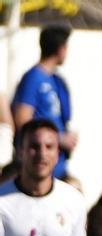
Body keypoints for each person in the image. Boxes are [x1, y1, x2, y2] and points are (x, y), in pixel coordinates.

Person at [11, 24, 75, 179]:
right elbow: (22, 118)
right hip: (37, 167)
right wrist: (58, 138)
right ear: (61, 49)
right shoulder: (33, 77)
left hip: (57, 165)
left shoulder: (56, 80)